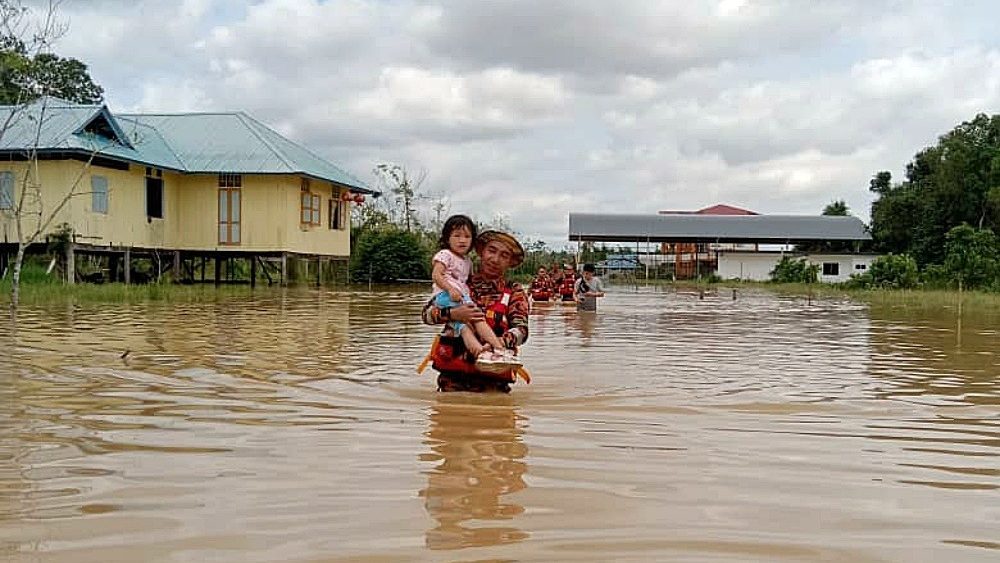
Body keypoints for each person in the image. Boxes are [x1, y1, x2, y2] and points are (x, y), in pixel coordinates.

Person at [420, 230, 530, 393]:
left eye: (504, 256)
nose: (495, 259)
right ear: (481, 252)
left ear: (510, 262)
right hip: (451, 384)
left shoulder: (514, 291)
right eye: (491, 251)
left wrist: (500, 343)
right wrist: (452, 314)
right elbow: (426, 315)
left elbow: (522, 330)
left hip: (494, 386)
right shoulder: (459, 282)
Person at [431, 215, 506, 358]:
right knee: (477, 318)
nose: (462, 240)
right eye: (457, 236)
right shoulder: (445, 255)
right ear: (447, 238)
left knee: (466, 327)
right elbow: (436, 276)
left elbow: (522, 330)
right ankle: (497, 349)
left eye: (467, 236)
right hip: (447, 296)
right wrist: (452, 303)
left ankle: (487, 351)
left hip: (459, 297)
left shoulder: (467, 261)